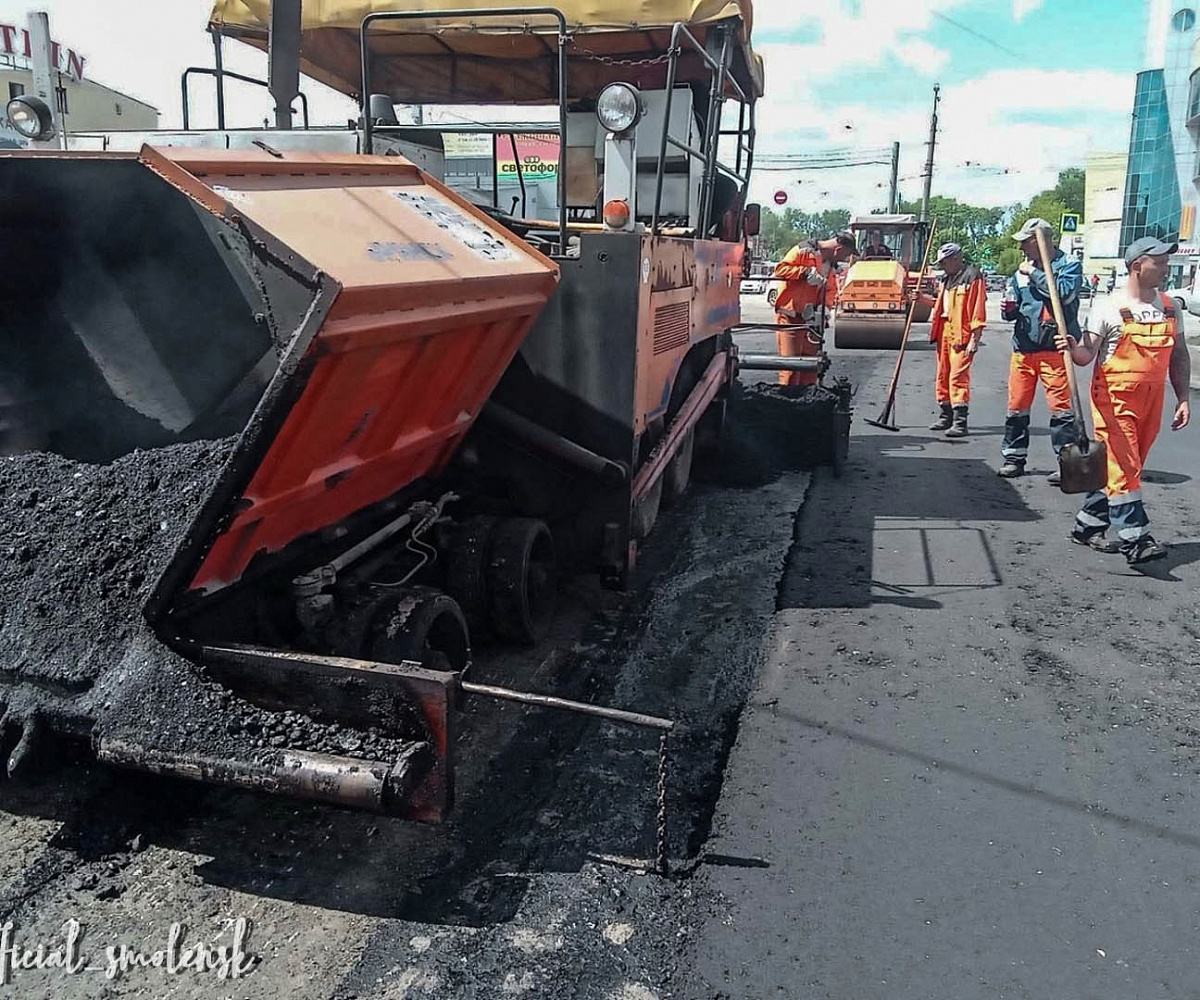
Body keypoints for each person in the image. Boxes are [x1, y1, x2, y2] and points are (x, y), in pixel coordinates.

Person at [1058, 236, 1191, 564]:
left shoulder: (1170, 306)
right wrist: (1072, 348)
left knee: (1126, 466)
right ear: (1136, 267)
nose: (1164, 268)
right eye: (1157, 262)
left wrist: (1183, 398)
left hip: (1152, 398)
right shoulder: (1109, 308)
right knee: (1124, 465)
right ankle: (1136, 538)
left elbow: (1179, 355)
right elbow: (1086, 355)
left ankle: (1087, 525)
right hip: (1113, 399)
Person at [998, 217, 1081, 483]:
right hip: (1024, 349)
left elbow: (1064, 294)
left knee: (1061, 411)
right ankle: (1014, 457)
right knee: (1017, 407)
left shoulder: (1069, 265)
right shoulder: (1020, 273)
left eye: (1026, 242)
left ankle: (1066, 463)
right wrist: (1009, 310)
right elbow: (1014, 307)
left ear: (1041, 242)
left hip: (1055, 350)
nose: (1022, 248)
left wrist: (1034, 274)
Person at [772, 231, 856, 386]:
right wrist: (804, 272)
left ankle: (806, 402)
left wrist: (825, 309)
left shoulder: (831, 266)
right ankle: (787, 403)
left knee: (810, 368)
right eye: (845, 255)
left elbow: (830, 290)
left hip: (813, 321)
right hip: (791, 316)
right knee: (791, 368)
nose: (844, 259)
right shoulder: (803, 250)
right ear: (838, 249)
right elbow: (780, 270)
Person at [928, 242, 987, 438]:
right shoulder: (946, 279)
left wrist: (975, 340)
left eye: (944, 262)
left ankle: (960, 422)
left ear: (956, 259)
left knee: (958, 378)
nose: (941, 266)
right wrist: (920, 299)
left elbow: (978, 310)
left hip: (962, 334)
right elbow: (940, 306)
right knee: (943, 375)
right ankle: (946, 415)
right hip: (944, 332)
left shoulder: (972, 277)